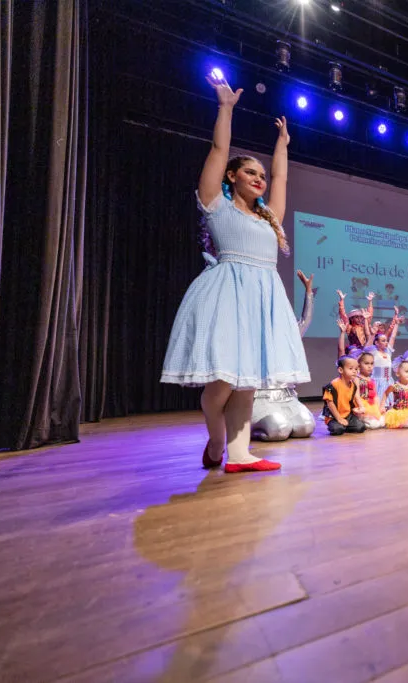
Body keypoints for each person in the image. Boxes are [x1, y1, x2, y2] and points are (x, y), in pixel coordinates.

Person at [161, 73, 308, 473]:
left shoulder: (270, 220)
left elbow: (281, 177)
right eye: (249, 173)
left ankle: (240, 455)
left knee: (249, 381)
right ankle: (217, 440)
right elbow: (218, 148)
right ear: (231, 177)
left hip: (263, 296)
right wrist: (225, 108)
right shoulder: (216, 206)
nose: (259, 178)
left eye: (260, 174)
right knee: (222, 381)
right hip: (229, 295)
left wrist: (282, 145)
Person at [250, 270, 318, 441]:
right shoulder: (253, 334)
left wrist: (308, 292)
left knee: (306, 427)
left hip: (287, 397)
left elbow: (305, 320)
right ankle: (247, 429)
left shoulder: (289, 333)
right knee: (279, 430)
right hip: (262, 398)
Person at [322, 356, 367, 436]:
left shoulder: (353, 385)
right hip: (334, 416)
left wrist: (358, 409)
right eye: (351, 368)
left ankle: (345, 425)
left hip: (347, 415)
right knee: (338, 429)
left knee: (361, 427)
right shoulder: (333, 385)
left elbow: (350, 401)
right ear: (340, 370)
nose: (354, 371)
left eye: (356, 369)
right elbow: (330, 403)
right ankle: (339, 425)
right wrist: (339, 418)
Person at [380, 353, 408, 429]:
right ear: (398, 373)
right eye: (406, 371)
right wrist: (382, 406)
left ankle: (407, 422)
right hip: (398, 412)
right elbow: (385, 393)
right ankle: (401, 423)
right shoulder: (395, 386)